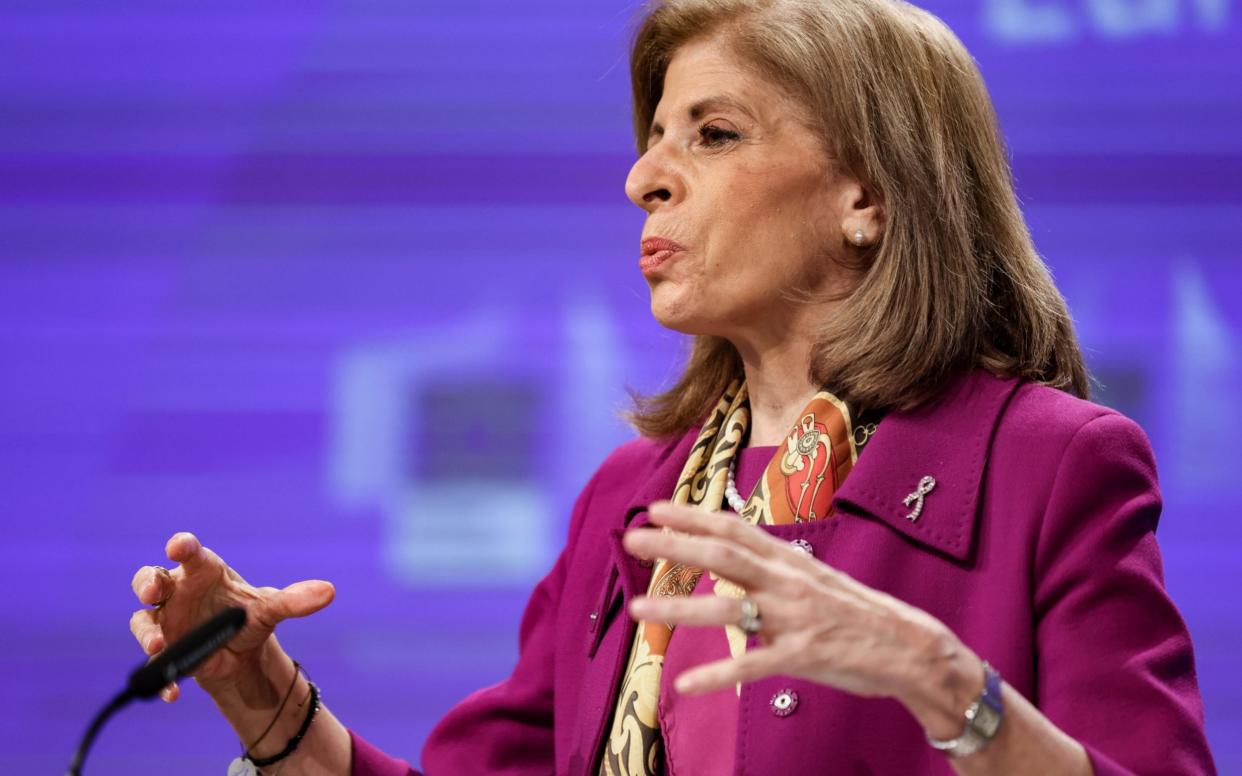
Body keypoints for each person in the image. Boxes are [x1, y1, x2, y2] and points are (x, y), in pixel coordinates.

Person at [126, 0, 1217, 773]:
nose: (644, 176)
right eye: (655, 137)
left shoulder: (1052, 460)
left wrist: (944, 681)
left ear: (868, 196)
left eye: (714, 133)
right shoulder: (630, 497)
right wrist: (270, 706)